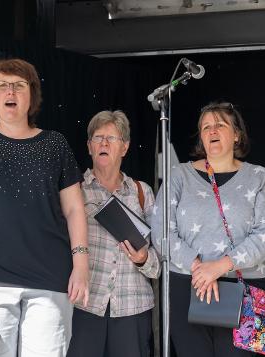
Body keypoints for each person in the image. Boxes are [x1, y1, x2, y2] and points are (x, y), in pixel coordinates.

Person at [0, 58, 89, 357]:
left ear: (31, 95)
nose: (11, 91)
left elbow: (74, 210)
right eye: (3, 85)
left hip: (49, 281)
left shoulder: (55, 144)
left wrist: (81, 266)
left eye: (19, 86)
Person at [151, 102, 265, 357]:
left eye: (220, 125)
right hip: (189, 285)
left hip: (245, 289)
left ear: (236, 134)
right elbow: (162, 232)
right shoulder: (178, 175)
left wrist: (221, 266)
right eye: (206, 127)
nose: (212, 131)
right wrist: (199, 268)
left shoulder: (259, 177)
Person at [67, 110, 160, 357]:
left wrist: (143, 258)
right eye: (98, 138)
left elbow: (160, 264)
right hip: (84, 305)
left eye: (112, 138)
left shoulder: (142, 192)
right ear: (89, 147)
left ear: (125, 147)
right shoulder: (74, 190)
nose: (104, 143)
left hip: (133, 308)